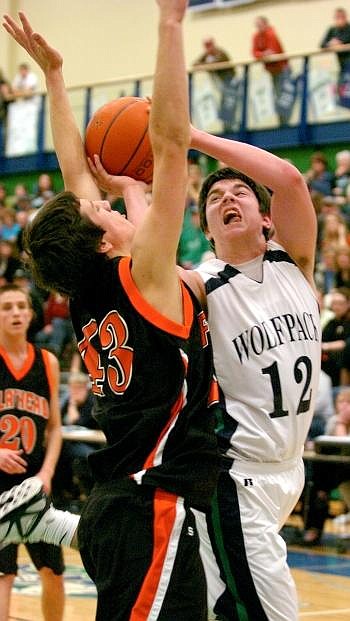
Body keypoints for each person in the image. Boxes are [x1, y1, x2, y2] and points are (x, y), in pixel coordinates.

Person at [0, 4, 220, 621]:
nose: (101, 203)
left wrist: (55, 78)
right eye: (97, 210)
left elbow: (75, 171)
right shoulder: (144, 275)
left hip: (123, 505)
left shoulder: (93, 289)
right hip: (150, 506)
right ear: (102, 239)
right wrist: (171, 26)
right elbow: (171, 144)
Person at [91, 102, 321, 618]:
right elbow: (150, 259)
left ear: (266, 218)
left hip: (289, 470)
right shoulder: (204, 283)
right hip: (235, 475)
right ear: (209, 229)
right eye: (215, 198)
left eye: (240, 192)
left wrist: (192, 136)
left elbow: (289, 179)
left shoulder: (295, 263)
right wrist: (133, 189)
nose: (228, 198)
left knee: (221, 605)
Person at [0, 284, 64, 621]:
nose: (14, 313)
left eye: (20, 306)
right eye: (6, 307)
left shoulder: (48, 362)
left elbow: (54, 428)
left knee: (53, 573)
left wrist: (47, 473)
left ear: (30, 313)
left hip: (34, 481)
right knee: (3, 575)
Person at [302, 387, 350, 545]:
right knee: (316, 482)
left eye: (348, 402)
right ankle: (313, 528)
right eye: (340, 401)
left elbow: (345, 444)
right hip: (338, 470)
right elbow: (332, 446)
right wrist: (340, 422)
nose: (344, 406)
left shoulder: (339, 421)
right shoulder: (333, 420)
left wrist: (343, 423)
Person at [252, 16, 295, 126]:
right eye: (257, 25)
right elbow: (255, 53)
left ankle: (285, 124)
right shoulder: (256, 36)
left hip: (283, 69)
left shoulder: (271, 34)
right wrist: (263, 54)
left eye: (260, 24)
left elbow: (273, 51)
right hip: (272, 71)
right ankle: (282, 123)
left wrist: (263, 54)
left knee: (285, 97)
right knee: (277, 96)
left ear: (266, 24)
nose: (258, 27)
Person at [193, 37, 238, 132]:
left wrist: (204, 65)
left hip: (230, 82)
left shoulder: (220, 53)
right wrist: (204, 63)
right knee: (222, 105)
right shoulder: (206, 55)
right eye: (206, 46)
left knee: (228, 105)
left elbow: (216, 63)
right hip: (220, 85)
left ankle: (230, 129)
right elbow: (195, 64)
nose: (208, 48)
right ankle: (227, 128)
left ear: (213, 45)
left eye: (210, 45)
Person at [320, 7, 350, 107]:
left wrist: (339, 42)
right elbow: (322, 44)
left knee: (345, 92)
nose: (339, 20)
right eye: (337, 17)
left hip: (348, 65)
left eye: (341, 17)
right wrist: (330, 43)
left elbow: (345, 40)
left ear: (345, 17)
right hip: (342, 66)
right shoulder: (332, 30)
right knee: (341, 96)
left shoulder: (349, 28)